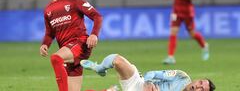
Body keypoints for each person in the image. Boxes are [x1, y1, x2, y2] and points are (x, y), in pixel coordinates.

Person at [39, 0, 103, 91]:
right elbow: (49, 32)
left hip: (80, 44)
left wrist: (94, 34)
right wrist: (45, 44)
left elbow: (97, 16)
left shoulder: (74, 0)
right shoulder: (48, 10)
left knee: (56, 58)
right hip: (68, 50)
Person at [81, 54, 216, 91]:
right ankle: (99, 68)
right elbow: (152, 73)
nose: (197, 86)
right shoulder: (181, 76)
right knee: (116, 60)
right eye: (200, 82)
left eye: (202, 89)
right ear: (198, 79)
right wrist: (148, 83)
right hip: (140, 85)